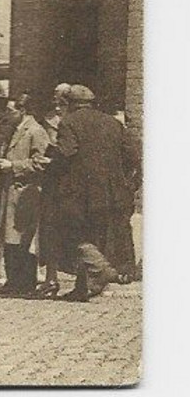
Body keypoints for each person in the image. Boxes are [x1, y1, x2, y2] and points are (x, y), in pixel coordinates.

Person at [43, 84, 131, 301]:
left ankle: (102, 269)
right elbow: (132, 154)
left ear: (71, 104)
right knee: (95, 236)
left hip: (79, 192)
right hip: (110, 192)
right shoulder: (113, 123)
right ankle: (84, 287)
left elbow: (67, 152)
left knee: (72, 234)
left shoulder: (69, 122)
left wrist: (49, 161)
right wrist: (127, 182)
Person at [0, 100, 51, 294]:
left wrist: (14, 166)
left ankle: (25, 282)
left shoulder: (36, 131)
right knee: (10, 238)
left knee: (23, 238)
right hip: (10, 191)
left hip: (25, 192)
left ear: (22, 110)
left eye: (11, 110)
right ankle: (13, 281)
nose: (7, 114)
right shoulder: (13, 130)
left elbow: (41, 163)